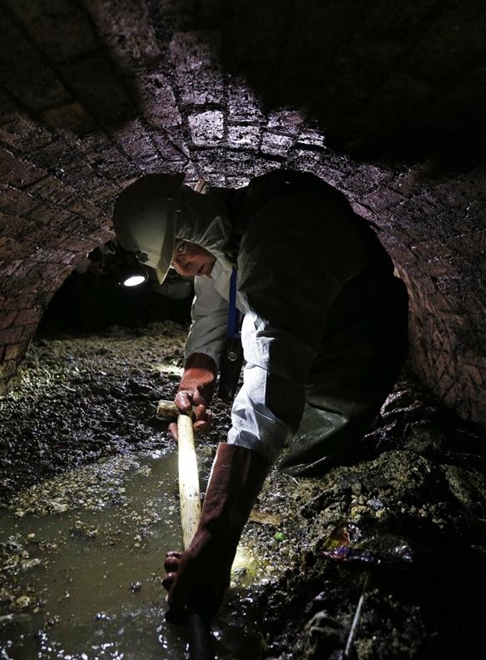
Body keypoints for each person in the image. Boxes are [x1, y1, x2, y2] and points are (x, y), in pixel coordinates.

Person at [111, 169, 409, 623]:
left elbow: (269, 381)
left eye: (180, 257)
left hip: (352, 348)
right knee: (277, 447)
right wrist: (196, 374)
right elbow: (211, 303)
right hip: (308, 331)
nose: (179, 269)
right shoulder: (224, 235)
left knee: (306, 461)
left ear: (191, 232)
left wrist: (215, 536)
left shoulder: (280, 241)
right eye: (173, 263)